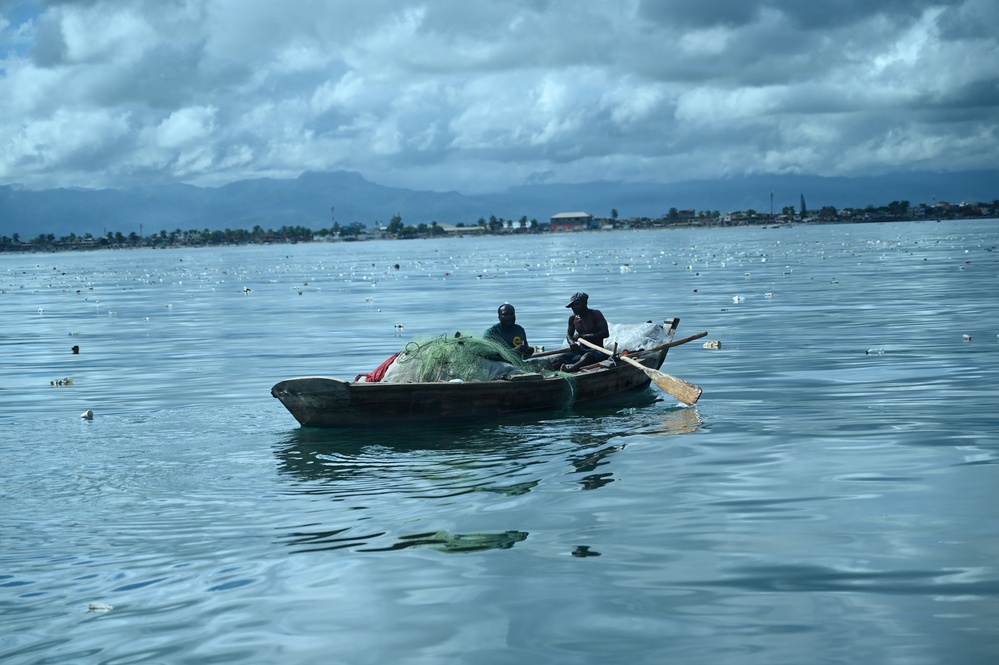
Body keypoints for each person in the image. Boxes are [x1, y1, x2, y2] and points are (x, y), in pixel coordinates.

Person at [558, 292, 609, 372]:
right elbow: (569, 335)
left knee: (587, 356)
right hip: (581, 350)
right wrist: (571, 343)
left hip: (597, 351)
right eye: (572, 306)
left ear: (585, 303)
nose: (574, 307)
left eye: (577, 304)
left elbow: (605, 333)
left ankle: (568, 370)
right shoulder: (572, 318)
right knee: (560, 358)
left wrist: (583, 336)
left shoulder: (595, 314)